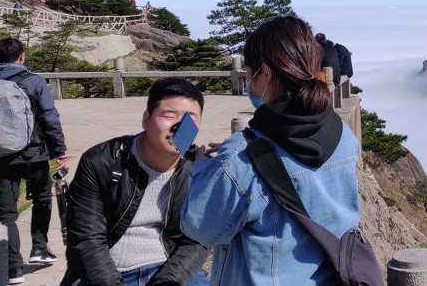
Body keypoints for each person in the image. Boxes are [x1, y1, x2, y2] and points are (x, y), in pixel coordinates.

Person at [181, 16, 361, 285]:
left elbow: (199, 227)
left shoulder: (243, 156)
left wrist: (201, 169)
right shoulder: (343, 134)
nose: (249, 85)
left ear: (265, 73)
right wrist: (231, 160)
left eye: (249, 76)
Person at [60, 77, 210, 286]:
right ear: (146, 119)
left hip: (169, 269)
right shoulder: (101, 161)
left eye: (190, 119)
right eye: (169, 116)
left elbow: (196, 239)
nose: (179, 126)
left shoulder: (198, 169)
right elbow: (87, 239)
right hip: (108, 272)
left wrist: (168, 282)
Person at [0, 38, 67, 285]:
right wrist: (60, 151)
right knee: (42, 198)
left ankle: (13, 269)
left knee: (6, 211)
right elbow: (49, 118)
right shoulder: (33, 81)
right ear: (22, 57)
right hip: (33, 153)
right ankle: (39, 248)